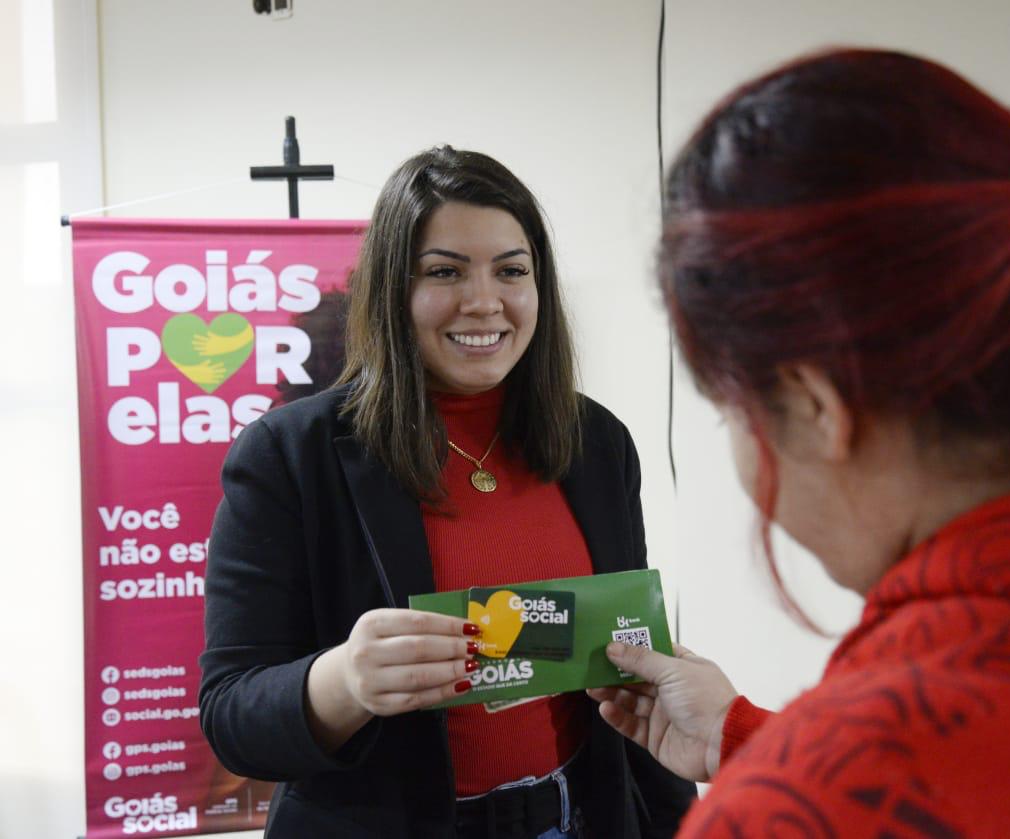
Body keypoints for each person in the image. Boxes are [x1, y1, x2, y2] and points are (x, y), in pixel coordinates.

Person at [587, 49, 1010, 836]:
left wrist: (781, 775)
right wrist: (748, 739)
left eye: (730, 412)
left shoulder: (793, 806)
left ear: (813, 403)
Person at [199, 146, 696, 838]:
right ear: (391, 289)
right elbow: (231, 715)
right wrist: (343, 682)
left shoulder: (596, 443)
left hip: (578, 815)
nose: (485, 301)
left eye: (512, 270)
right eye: (444, 272)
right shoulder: (290, 456)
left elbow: (627, 664)